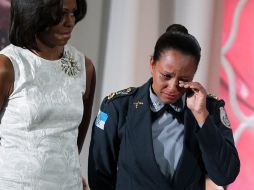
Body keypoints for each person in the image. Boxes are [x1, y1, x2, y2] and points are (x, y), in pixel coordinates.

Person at [88, 24, 240, 190]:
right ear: (152, 64)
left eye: (184, 79)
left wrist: (202, 116)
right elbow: (100, 178)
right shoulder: (118, 107)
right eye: (166, 76)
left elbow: (225, 174)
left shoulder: (209, 109)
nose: (173, 87)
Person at [0, 0, 95, 189]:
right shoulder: (7, 66)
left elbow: (76, 140)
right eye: (61, 13)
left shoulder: (85, 67)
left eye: (73, 13)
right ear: (35, 11)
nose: (69, 22)